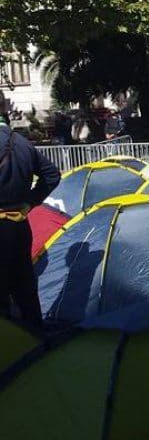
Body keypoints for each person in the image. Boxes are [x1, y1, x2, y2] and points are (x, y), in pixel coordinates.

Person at [0, 115, 61, 328]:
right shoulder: (22, 143)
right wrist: (29, 203)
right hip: (19, 225)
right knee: (25, 288)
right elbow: (52, 175)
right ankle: (36, 341)